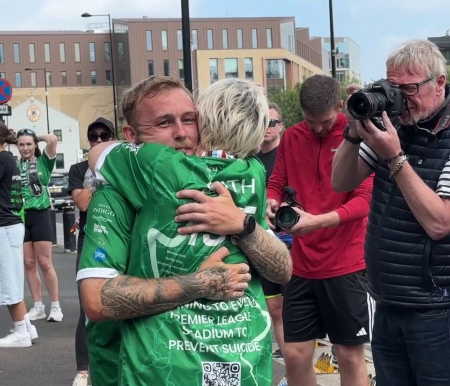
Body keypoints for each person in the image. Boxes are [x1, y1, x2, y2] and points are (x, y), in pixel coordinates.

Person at [77, 75, 292, 386]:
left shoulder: (228, 192)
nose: (181, 133)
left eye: (189, 119)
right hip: (145, 369)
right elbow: (97, 301)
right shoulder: (114, 197)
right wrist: (199, 284)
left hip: (231, 367)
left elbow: (282, 269)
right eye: (164, 123)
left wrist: (243, 226)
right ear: (131, 136)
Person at [331, 39, 450, 386]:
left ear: (440, 82)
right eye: (395, 88)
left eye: (411, 88)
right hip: (388, 302)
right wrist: (352, 130)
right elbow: (340, 180)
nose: (403, 99)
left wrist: (395, 158)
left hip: (438, 309)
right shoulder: (396, 129)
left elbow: (440, 222)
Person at [264, 74, 373, 386]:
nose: (317, 128)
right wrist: (271, 201)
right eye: (310, 121)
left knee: (349, 355)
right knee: (295, 354)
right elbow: (276, 181)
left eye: (324, 122)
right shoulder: (292, 137)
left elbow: (365, 201)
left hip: (347, 265)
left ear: (339, 107)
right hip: (302, 266)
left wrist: (314, 221)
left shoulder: (357, 136)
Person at [0, 120, 38, 348]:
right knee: (11, 277)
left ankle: (20, 331)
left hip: (1, 225)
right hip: (11, 224)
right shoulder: (8, 160)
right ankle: (26, 326)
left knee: (5, 280)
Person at [66, 117, 116, 386]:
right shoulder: (79, 169)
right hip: (91, 240)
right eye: (93, 136)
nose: (98, 141)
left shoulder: (125, 168)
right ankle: (83, 370)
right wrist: (96, 172)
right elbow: (83, 203)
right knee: (88, 306)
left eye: (104, 136)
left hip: (121, 240)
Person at [256, 102, 291, 359]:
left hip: (291, 240)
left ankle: (298, 365)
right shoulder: (249, 159)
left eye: (272, 123)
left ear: (281, 127)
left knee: (295, 307)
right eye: (263, 122)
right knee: (274, 307)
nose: (267, 128)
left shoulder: (288, 155)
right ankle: (290, 368)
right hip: (259, 239)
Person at [16, 129, 62, 322]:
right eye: (21, 144)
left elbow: (52, 139)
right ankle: (37, 306)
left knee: (45, 262)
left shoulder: (44, 161)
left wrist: (35, 136)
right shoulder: (15, 164)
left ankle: (56, 306)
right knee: (28, 263)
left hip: (41, 214)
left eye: (29, 144)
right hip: (22, 216)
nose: (25, 148)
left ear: (35, 145)